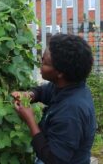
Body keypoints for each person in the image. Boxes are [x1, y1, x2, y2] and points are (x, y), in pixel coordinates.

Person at [12, 34, 96, 164]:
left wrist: (30, 120)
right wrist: (29, 95)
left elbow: (54, 159)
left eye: (44, 62)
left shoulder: (71, 112)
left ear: (60, 73)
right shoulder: (70, 86)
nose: (40, 63)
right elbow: (44, 91)